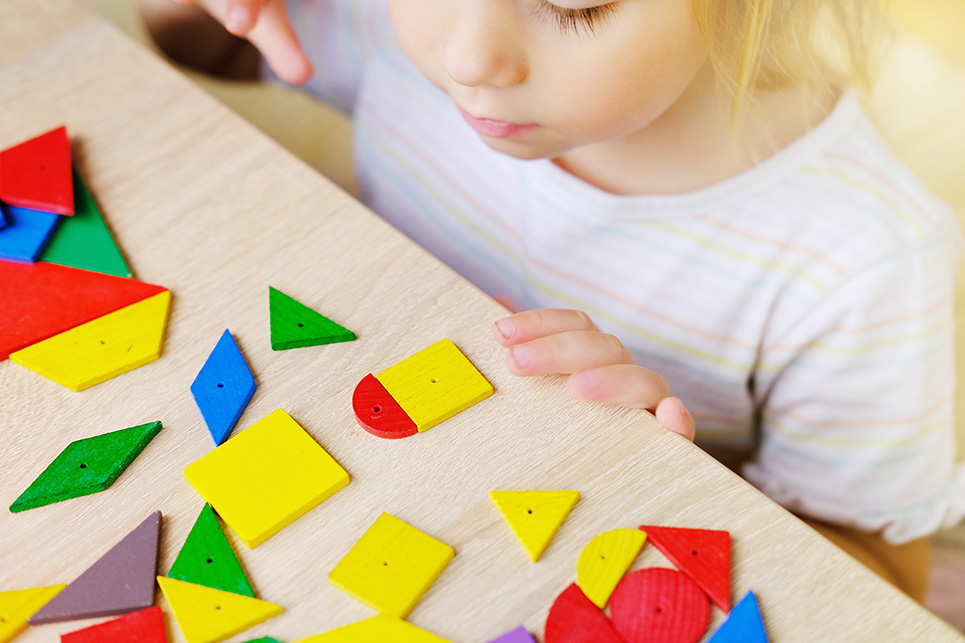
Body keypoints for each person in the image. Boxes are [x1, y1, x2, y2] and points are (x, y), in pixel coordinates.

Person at [140, 0, 964, 600]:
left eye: (572, 4)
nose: (468, 57)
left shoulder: (864, 262)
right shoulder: (402, 33)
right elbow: (215, 45)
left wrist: (653, 486)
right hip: (358, 505)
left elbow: (881, 577)